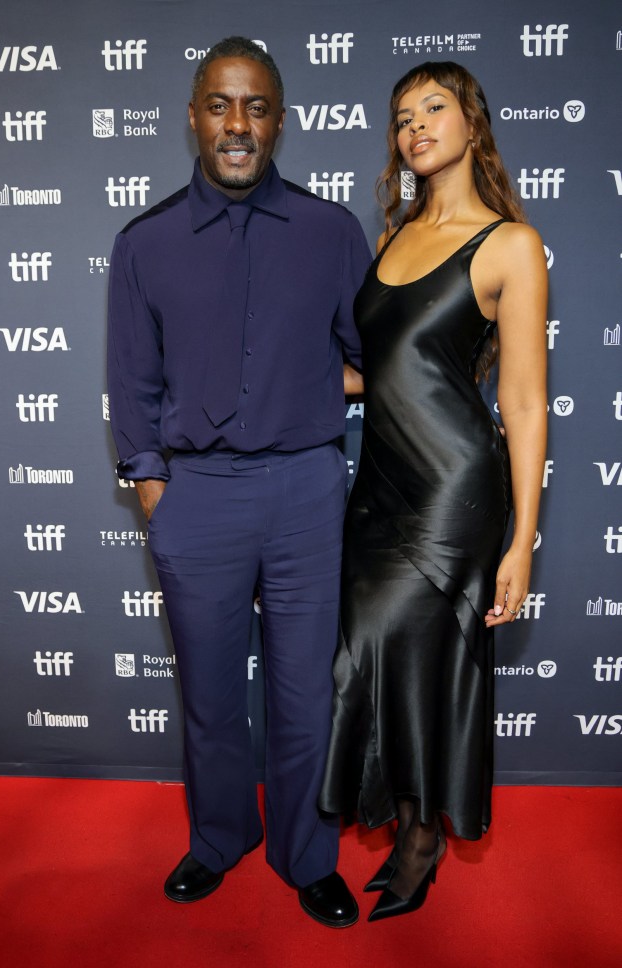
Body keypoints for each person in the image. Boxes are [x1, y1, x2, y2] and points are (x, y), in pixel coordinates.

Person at [107, 36, 370, 928]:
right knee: (212, 696)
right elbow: (132, 384)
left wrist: (302, 379)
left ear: (280, 122)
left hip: (305, 491)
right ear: (193, 115)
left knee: (305, 694)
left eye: (256, 107)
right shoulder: (143, 244)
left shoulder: (332, 232)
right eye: (221, 104)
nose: (237, 123)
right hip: (198, 498)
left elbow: (371, 358)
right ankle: (219, 838)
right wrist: (154, 492)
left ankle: (308, 855)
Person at [319, 61, 548, 922]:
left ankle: (422, 840)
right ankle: (408, 820)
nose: (415, 126)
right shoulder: (394, 235)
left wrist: (521, 540)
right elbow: (381, 373)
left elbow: (522, 399)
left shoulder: (510, 245)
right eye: (402, 116)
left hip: (453, 489)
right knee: (374, 660)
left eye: (434, 109)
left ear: (472, 124)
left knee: (433, 659)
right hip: (378, 484)